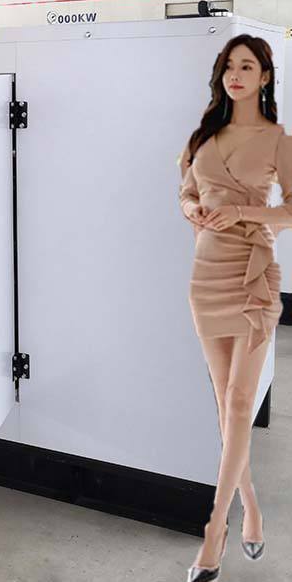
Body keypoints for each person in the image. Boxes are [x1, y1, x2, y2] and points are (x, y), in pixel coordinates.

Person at [177, 33, 289, 581]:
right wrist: (194, 210)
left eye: (247, 67)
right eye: (229, 67)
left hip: (253, 276)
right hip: (207, 274)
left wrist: (244, 215)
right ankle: (252, 509)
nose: (236, 75)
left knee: (241, 402)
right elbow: (185, 191)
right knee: (226, 407)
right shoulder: (204, 135)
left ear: (265, 77)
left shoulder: (278, 140)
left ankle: (215, 529)